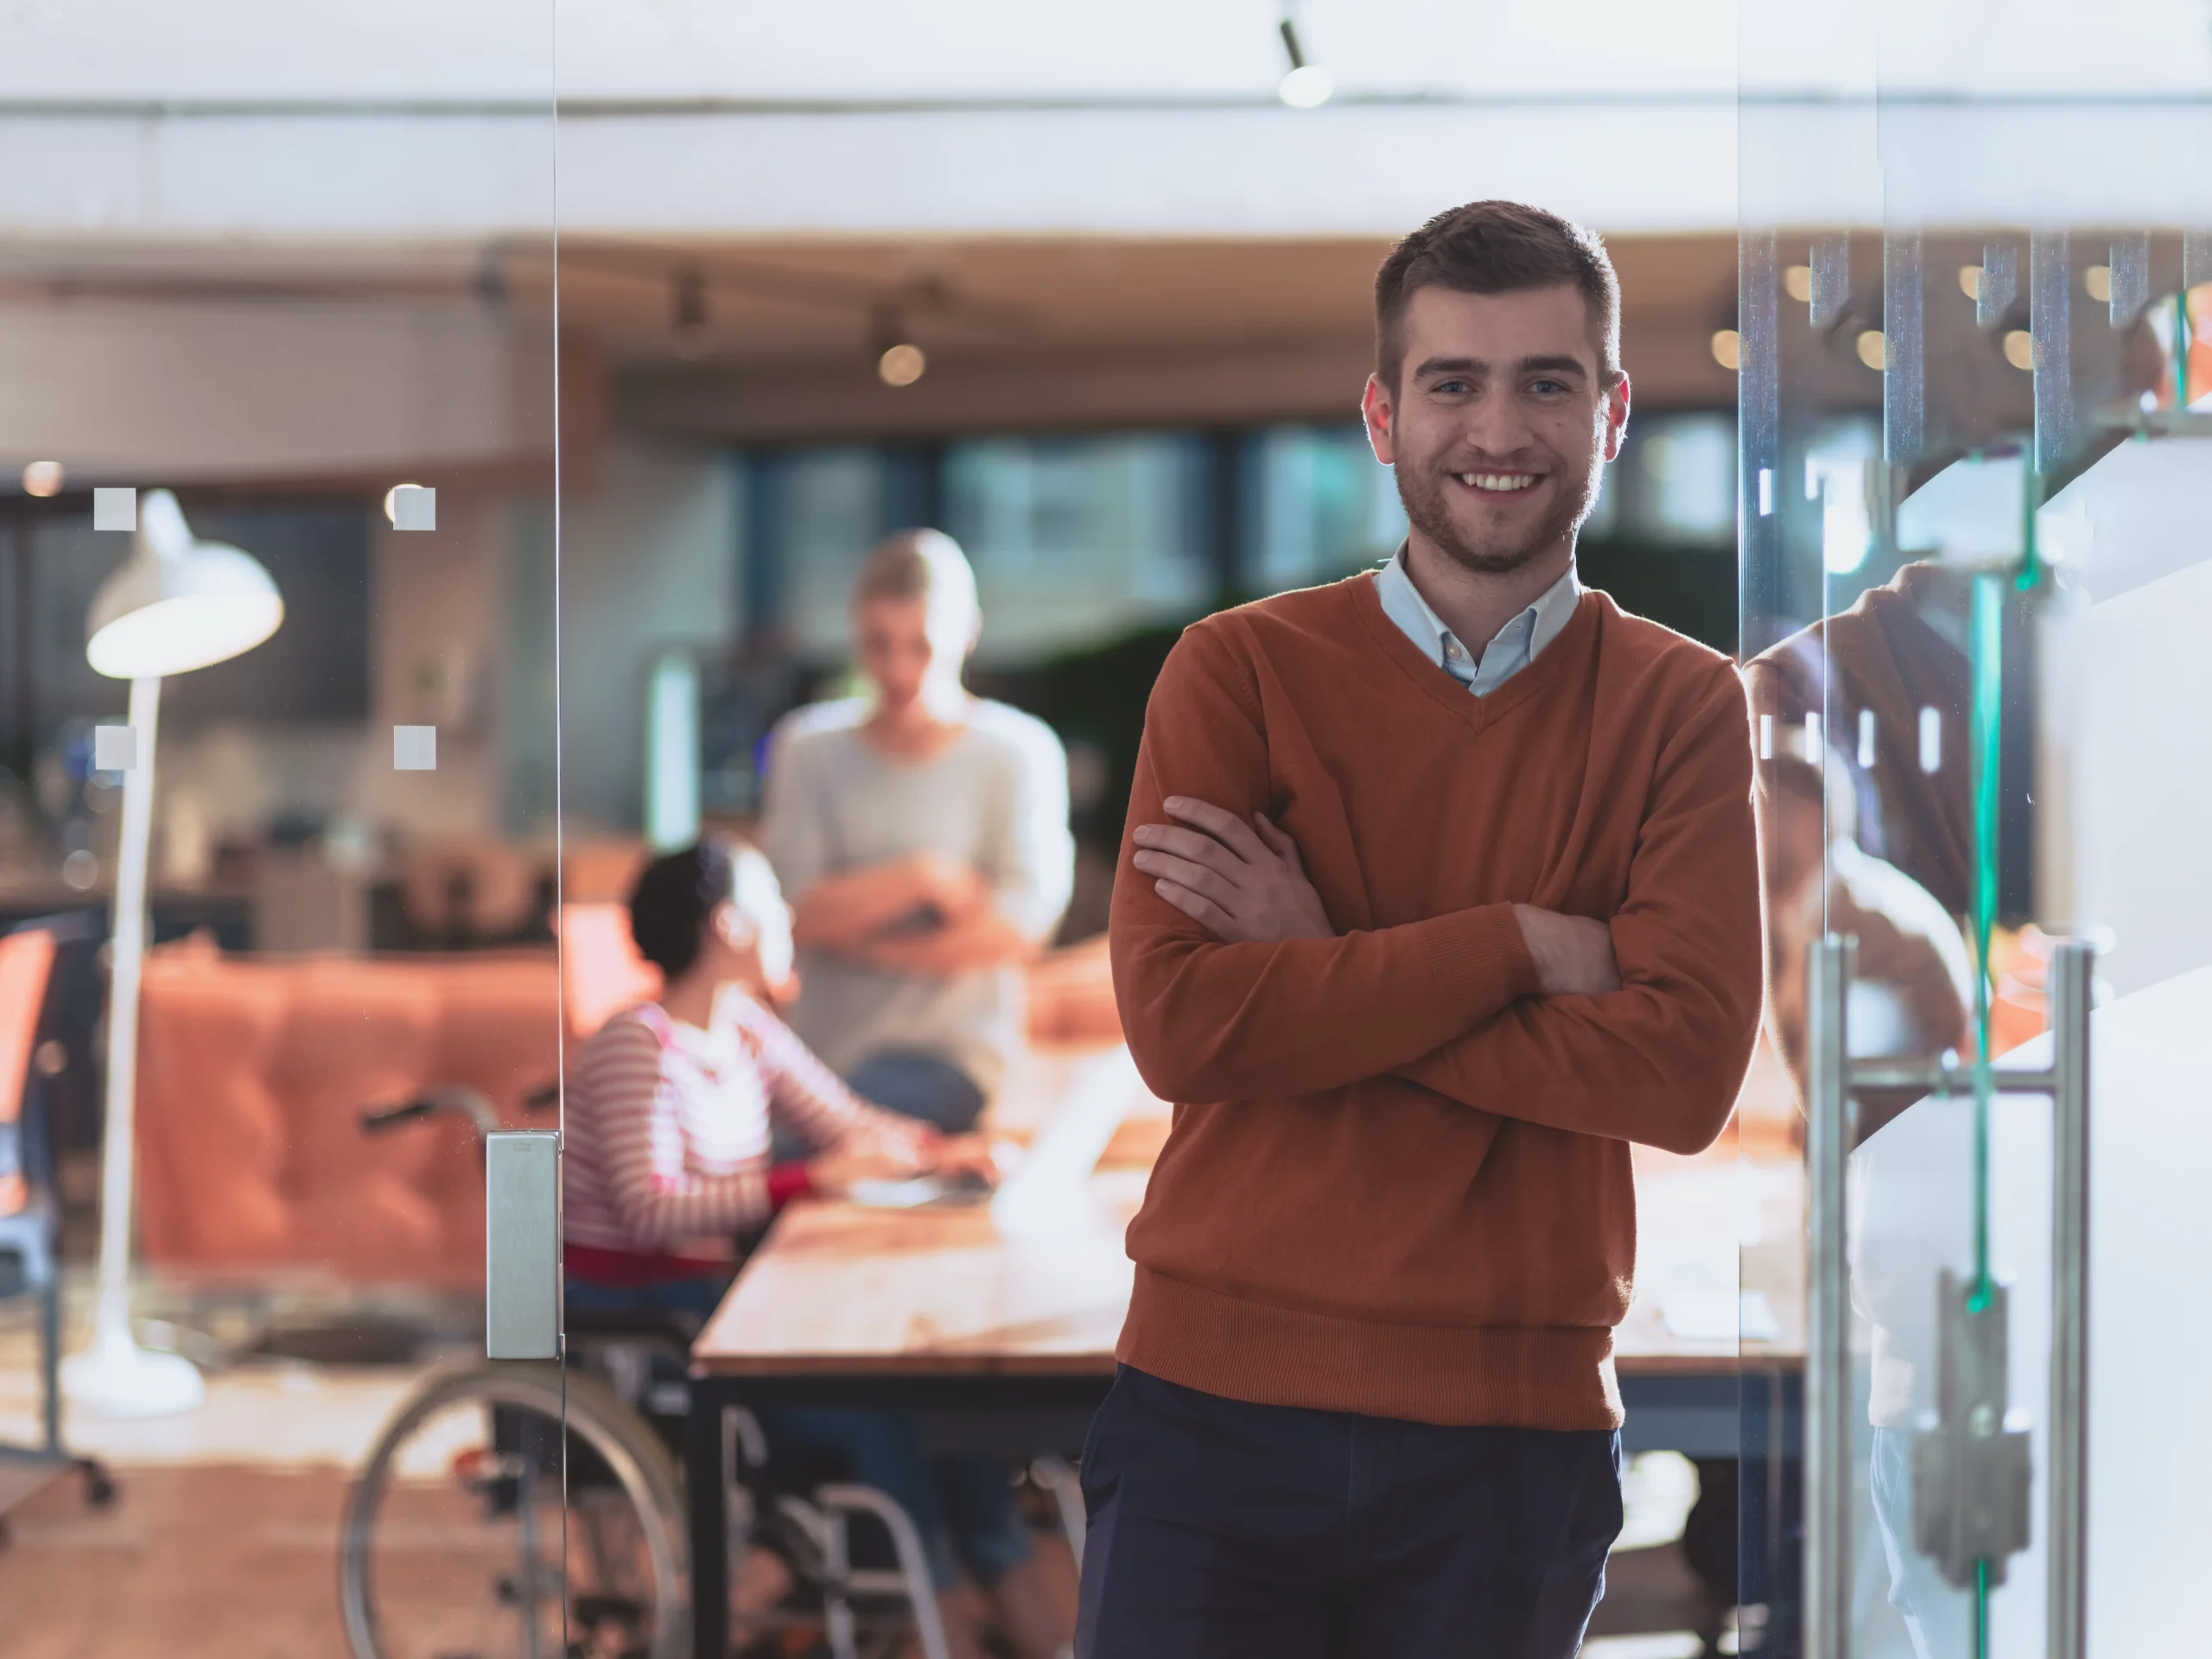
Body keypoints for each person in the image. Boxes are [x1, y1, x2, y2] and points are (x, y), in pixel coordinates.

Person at [1078, 200, 1764, 1658]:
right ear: (1384, 415)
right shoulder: (1240, 675)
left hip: (1509, 1436)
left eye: (1546, 380)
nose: (1497, 426)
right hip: (1214, 1410)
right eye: (1452, 381)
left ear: (1614, 410)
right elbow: (1187, 1030)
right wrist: (1520, 943)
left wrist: (1322, 972)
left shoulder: (1683, 709)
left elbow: (1684, 1076)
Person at [561, 839, 1057, 1658]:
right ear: (728, 926)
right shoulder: (638, 1043)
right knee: (885, 1409)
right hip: (646, 1317)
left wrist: (942, 1153)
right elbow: (650, 1210)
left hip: (716, 1303)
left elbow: (848, 1122)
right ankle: (952, 1628)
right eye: (772, 901)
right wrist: (806, 1182)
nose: (789, 918)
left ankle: (1010, 1619)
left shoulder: (745, 1030)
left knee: (937, 1412)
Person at [760, 528, 1074, 1134]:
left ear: (968, 633)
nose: (898, 669)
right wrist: (924, 879)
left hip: (953, 1059)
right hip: (815, 1060)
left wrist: (867, 943)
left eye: (921, 646)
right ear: (855, 632)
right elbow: (794, 911)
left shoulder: (1018, 752)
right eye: (878, 644)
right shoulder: (807, 747)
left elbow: (1018, 926)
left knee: (813, 1144)